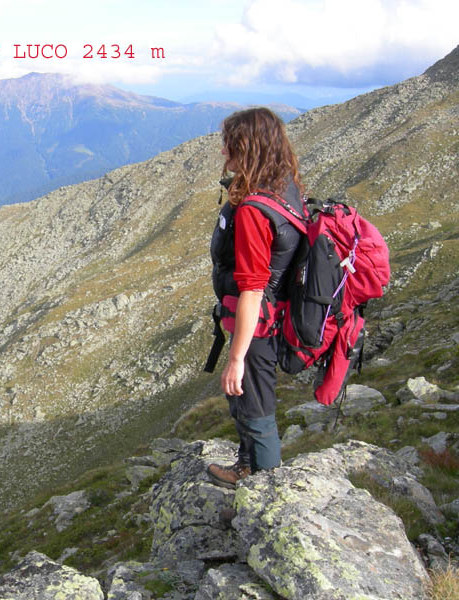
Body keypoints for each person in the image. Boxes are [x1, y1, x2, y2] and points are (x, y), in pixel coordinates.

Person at [206, 107, 305, 489]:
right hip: (274, 316)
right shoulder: (285, 185)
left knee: (254, 404)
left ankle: (265, 492)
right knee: (248, 400)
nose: (223, 152)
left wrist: (236, 358)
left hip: (258, 325)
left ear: (245, 147)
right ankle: (247, 467)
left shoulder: (252, 211)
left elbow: (252, 287)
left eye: (228, 144)